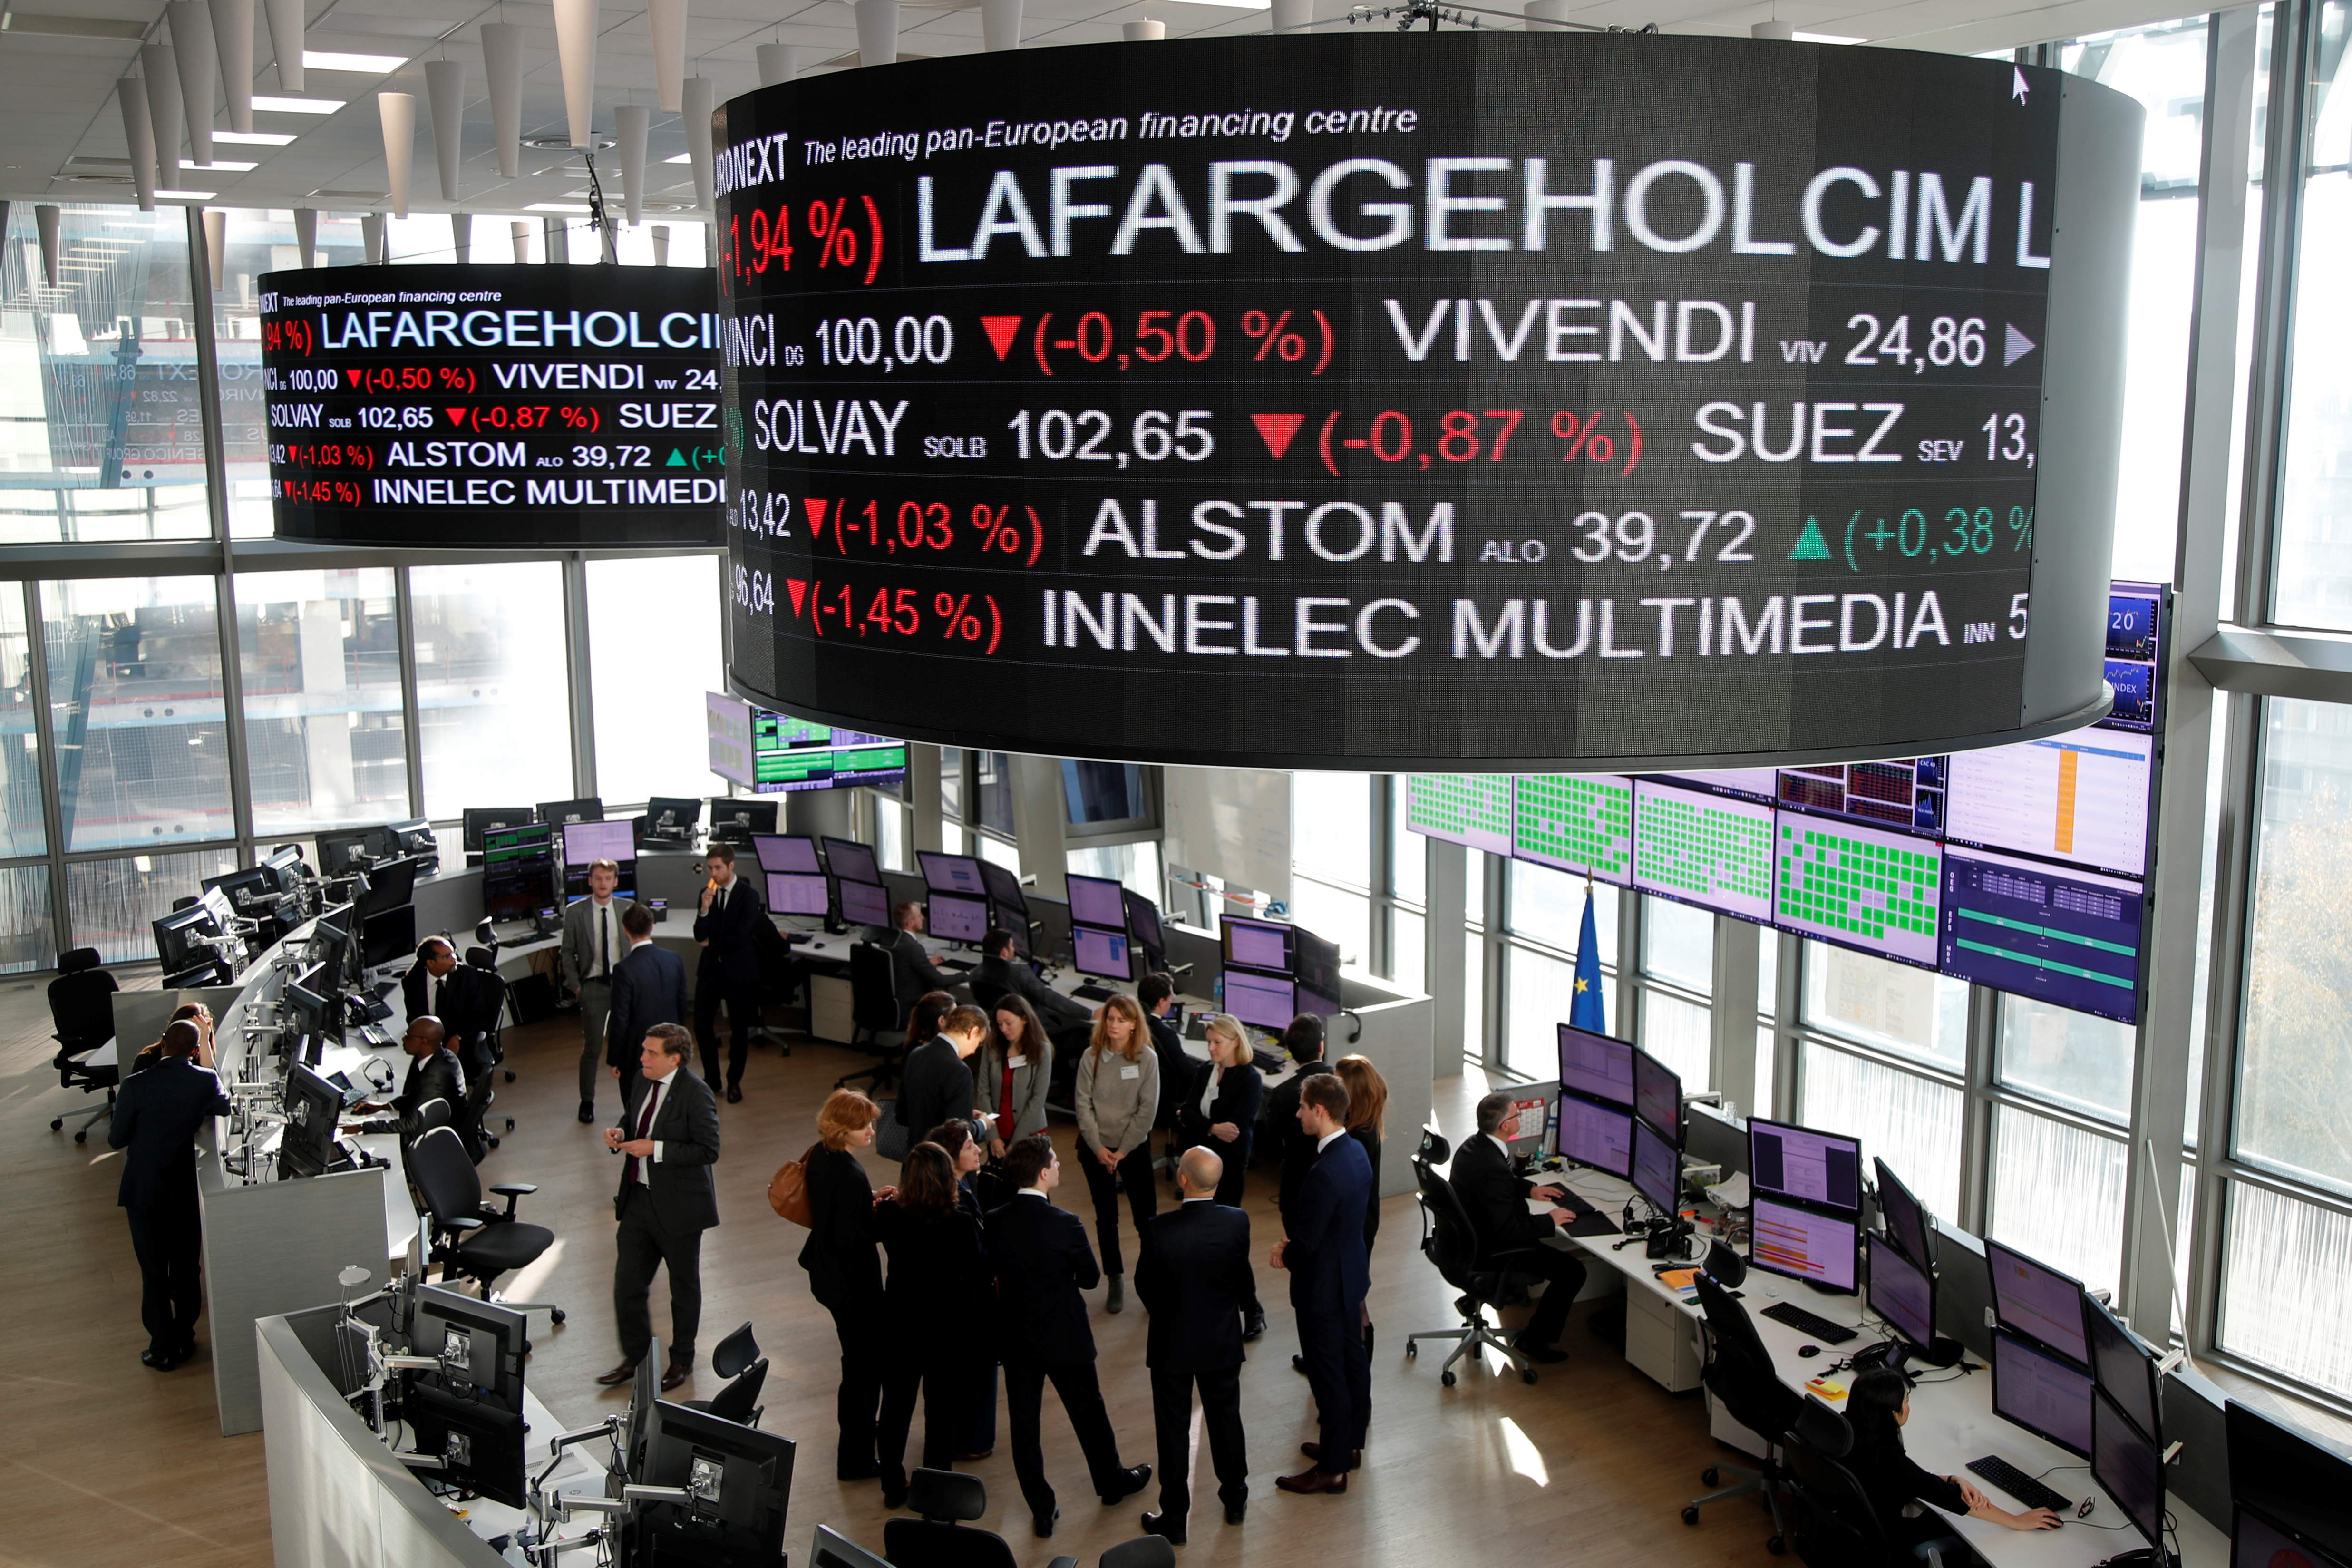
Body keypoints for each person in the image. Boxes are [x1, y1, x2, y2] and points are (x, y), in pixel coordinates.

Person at [985, 1134, 1150, 1537]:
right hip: (1065, 1336)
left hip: (1018, 1337)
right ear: (1043, 1174)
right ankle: (1112, 1484)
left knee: (1024, 1427)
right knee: (1089, 1414)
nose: (1060, 1165)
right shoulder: (1066, 1224)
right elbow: (1093, 1278)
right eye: (1055, 1162)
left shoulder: (994, 1220)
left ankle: (1042, 1509)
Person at [1136, 1145, 1254, 1543]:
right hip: (1221, 1340)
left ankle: (1174, 1518)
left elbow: (1145, 1285)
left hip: (1173, 1344)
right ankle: (1235, 1498)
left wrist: (1167, 1312)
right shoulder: (1238, 1222)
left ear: (1183, 1178)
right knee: (1226, 1418)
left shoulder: (1158, 1229)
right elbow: (1239, 1276)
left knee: (1172, 1430)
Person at [597, 1023, 721, 1393]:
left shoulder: (696, 1094)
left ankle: (682, 1359)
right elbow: (634, 1119)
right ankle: (636, 1358)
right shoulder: (641, 1080)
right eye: (643, 1050)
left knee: (683, 1288)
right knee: (627, 1284)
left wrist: (657, 1149)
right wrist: (621, 1132)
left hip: (679, 1207)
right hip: (638, 1199)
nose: (642, 1058)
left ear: (675, 1059)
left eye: (651, 1053)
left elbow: (709, 1149)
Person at [874, 1141, 994, 1510]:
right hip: (946, 1327)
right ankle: (936, 1484)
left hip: (900, 1324)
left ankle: (893, 1483)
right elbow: (977, 1274)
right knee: (940, 1412)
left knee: (895, 1408)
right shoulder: (958, 1221)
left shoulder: (891, 1215)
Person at [108, 1019, 230, 1370]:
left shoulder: (134, 1085)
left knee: (154, 1272)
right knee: (186, 1270)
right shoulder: (204, 1080)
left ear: (162, 1043)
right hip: (183, 1192)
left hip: (143, 1190)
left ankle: (162, 1347)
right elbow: (223, 1106)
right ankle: (184, 1334)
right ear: (194, 1051)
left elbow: (115, 1140)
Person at [1272, 1073, 1372, 1497]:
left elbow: (1308, 1242)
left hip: (1323, 1289)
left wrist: (1284, 1253)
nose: (1298, 1114)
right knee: (1353, 1365)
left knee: (1327, 1376)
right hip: (1352, 1278)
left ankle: (1332, 1470)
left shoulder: (1323, 1173)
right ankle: (1347, 1444)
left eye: (1302, 1107)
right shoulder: (1359, 1152)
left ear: (1319, 1110)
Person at [1846, 1366, 2062, 1547]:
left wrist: (1951, 1479)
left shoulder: (1848, 1431)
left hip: (1853, 1533)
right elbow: (1943, 1495)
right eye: (1907, 1401)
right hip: (1885, 1541)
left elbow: (1916, 1479)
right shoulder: (1889, 1457)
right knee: (1956, 1524)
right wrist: (2018, 1521)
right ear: (1893, 1414)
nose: (1909, 1407)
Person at [1451, 1091, 1589, 1365]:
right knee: (1573, 1272)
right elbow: (1509, 1231)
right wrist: (1550, 1220)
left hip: (1467, 1242)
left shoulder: (1476, 1146)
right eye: (1517, 1115)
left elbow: (1501, 1183)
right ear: (1506, 1126)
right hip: (1496, 1249)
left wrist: (1531, 1189)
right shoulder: (1492, 1165)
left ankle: (1473, 1299)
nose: (1521, 1118)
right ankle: (1533, 1340)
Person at [800, 1089, 891, 1481]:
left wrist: (864, 1202)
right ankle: (856, 1459)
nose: (872, 1130)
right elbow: (851, 1236)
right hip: (853, 1288)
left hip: (827, 1277)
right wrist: (885, 1215)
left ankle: (855, 1446)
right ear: (844, 1128)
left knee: (855, 1367)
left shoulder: (821, 1155)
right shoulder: (851, 1172)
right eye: (864, 1124)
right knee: (864, 1374)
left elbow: (835, 1211)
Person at [1179, 1013, 1265, 1338]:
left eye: (1217, 1042)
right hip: (1198, 1165)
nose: (1211, 1048)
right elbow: (1187, 1112)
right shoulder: (1205, 1071)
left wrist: (1203, 1126)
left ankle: (1252, 1307)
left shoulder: (1249, 1079)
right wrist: (1212, 1127)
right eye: (1210, 1042)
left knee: (1229, 1241)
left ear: (1235, 1042)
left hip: (1228, 1167)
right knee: (1199, 1237)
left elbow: (1236, 1130)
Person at [1074, 993, 1160, 1312]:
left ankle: (1150, 1279)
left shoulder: (1147, 1059)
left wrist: (1122, 1150)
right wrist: (1099, 1148)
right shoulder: (1091, 1056)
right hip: (1096, 1149)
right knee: (1106, 1216)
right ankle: (1115, 1278)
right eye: (1110, 1018)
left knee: (1146, 1217)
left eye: (1121, 1020)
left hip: (1133, 1148)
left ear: (1134, 1024)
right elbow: (1083, 1105)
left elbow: (1147, 1111)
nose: (1113, 1025)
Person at [925, 1117, 999, 1463]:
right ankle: (972, 1440)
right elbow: (974, 1257)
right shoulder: (954, 1202)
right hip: (968, 1304)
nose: (978, 1150)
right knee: (975, 1373)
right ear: (953, 1156)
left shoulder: (960, 1184)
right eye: (971, 1147)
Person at [1264, 1012, 1335, 1371]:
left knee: (1304, 1269)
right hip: (1335, 1199)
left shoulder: (1282, 1094)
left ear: (1290, 1051)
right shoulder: (1340, 1087)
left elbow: (1267, 1144)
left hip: (1296, 1191)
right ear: (1323, 1046)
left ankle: (1314, 1351)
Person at [562, 857, 638, 1123]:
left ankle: (631, 1105)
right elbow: (567, 953)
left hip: (625, 986)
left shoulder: (629, 909)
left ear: (616, 882)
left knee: (631, 1047)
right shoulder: (575, 912)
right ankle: (587, 1101)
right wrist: (577, 987)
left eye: (608, 879)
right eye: (598, 878)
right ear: (590, 881)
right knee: (593, 1048)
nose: (603, 883)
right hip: (592, 987)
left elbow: (638, 947)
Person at [350, 1015, 478, 1158]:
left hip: (440, 1141)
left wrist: (362, 1127)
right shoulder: (445, 1056)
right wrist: (384, 1106)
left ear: (424, 1042)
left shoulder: (432, 1076)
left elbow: (411, 1125)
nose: (404, 1040)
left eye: (408, 1036)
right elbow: (419, 1095)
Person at [605, 904, 687, 1106]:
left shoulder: (624, 969)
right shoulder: (674, 960)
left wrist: (615, 1059)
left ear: (625, 930)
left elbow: (620, 1018)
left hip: (639, 1052)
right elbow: (682, 1003)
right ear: (652, 927)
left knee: (637, 1106)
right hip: (671, 1045)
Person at [1333, 1053, 1389, 1354]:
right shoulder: (1364, 1126)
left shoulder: (1357, 1139)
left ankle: (1357, 1357)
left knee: (1351, 1296)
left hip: (1356, 1226)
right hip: (1362, 1220)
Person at [401, 936, 500, 1083]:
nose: (454, 959)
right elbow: (414, 1018)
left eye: (453, 953)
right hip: (430, 1042)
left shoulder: (467, 976)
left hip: (464, 1041)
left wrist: (458, 1037)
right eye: (447, 956)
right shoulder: (412, 982)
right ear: (431, 963)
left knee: (438, 1079)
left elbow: (480, 1017)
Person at [898, 1003, 987, 1155]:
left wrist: (963, 1110)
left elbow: (902, 1115)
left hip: (916, 1158)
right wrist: (982, 1125)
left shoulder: (915, 1055)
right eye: (979, 1043)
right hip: (943, 1165)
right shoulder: (959, 1071)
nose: (973, 1051)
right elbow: (958, 1135)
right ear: (973, 1032)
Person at [977, 994, 1053, 1157]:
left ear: (1025, 1019)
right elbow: (983, 1093)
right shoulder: (992, 1047)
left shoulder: (1041, 1051)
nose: (1003, 1029)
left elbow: (1038, 1099)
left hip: (1030, 1131)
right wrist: (993, 1136)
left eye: (1008, 1023)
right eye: (999, 1024)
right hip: (997, 1130)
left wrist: (1018, 1139)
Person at [970, 926, 1091, 1026]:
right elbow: (1049, 998)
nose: (1014, 950)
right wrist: (1088, 1013)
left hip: (1001, 1030)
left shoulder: (975, 974)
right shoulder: (1019, 971)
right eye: (1012, 946)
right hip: (1034, 1032)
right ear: (1004, 952)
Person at [879, 900, 954, 1005]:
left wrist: (927, 964)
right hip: (912, 1006)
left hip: (895, 1004)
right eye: (919, 916)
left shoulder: (890, 940)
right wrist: (968, 974)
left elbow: (903, 966)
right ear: (910, 923)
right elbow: (940, 980)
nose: (923, 918)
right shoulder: (913, 948)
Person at [130, 1001, 214, 1074]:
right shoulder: (148, 1059)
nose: (189, 1033)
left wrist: (204, 1042)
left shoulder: (201, 1056)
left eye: (198, 1030)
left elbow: (210, 1081)